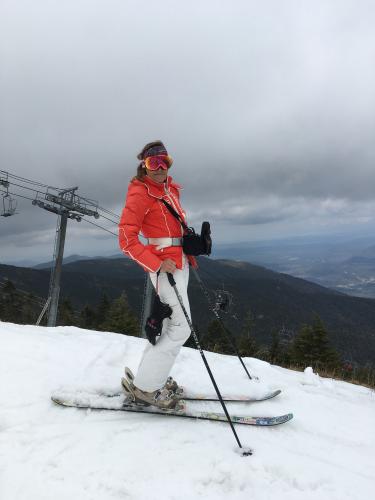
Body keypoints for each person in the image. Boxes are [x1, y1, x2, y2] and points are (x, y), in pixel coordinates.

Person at [118, 141, 197, 409]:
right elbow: (127, 240)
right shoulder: (140, 193)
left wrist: (192, 244)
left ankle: (149, 378)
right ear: (144, 166)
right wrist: (156, 263)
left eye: (165, 162)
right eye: (154, 163)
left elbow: (171, 229)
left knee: (167, 327)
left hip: (179, 262)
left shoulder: (169, 190)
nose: (160, 168)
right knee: (181, 328)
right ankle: (146, 390)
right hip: (165, 268)